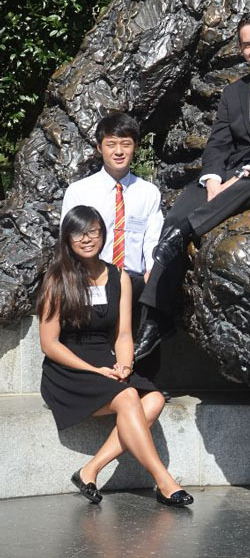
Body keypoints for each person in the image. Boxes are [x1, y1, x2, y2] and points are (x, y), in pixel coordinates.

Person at [134, 7, 250, 360]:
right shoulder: (232, 93)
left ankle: (189, 229)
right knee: (179, 209)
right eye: (248, 44)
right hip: (233, 176)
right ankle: (154, 319)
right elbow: (218, 143)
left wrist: (242, 174)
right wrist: (213, 179)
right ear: (241, 49)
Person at [38, 205, 193, 507]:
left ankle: (90, 470)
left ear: (103, 234)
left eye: (93, 231)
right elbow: (49, 344)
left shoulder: (118, 277)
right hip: (67, 367)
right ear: (67, 239)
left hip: (105, 361)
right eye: (79, 233)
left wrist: (124, 365)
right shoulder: (57, 279)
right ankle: (164, 481)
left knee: (155, 398)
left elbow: (123, 334)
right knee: (128, 398)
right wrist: (95, 371)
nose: (87, 239)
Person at [61, 112, 163, 373]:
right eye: (111, 144)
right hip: (92, 276)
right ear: (99, 148)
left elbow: (153, 238)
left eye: (126, 144)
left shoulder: (148, 192)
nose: (119, 151)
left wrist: (153, 268)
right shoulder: (80, 191)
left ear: (135, 147)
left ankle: (142, 378)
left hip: (133, 280)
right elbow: (68, 238)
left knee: (151, 295)